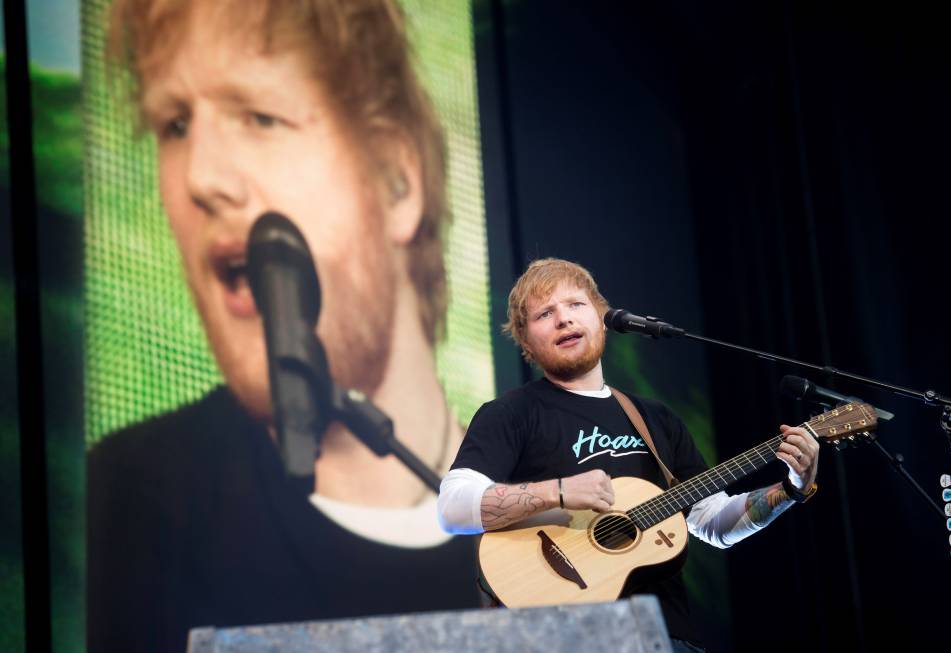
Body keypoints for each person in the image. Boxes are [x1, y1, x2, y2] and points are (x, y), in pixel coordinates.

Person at [87, 1, 480, 651]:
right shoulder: (121, 503)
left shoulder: (554, 530)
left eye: (260, 117)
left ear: (395, 182)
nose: (200, 177)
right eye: (175, 125)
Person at [437, 258, 820, 652]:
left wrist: (791, 490)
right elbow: (452, 508)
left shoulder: (655, 419)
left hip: (665, 637)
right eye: (545, 313)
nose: (564, 319)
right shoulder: (511, 413)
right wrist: (558, 491)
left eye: (576, 305)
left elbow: (712, 523)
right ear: (526, 342)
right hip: (565, 637)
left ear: (602, 318)